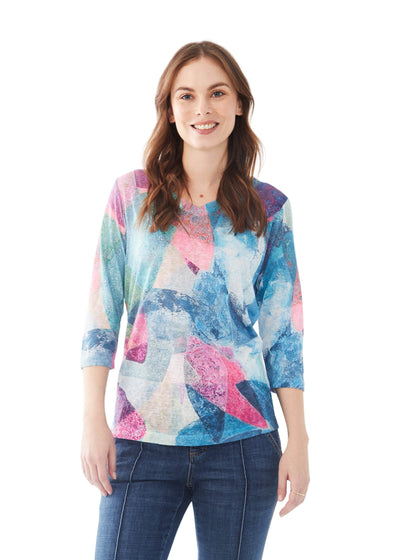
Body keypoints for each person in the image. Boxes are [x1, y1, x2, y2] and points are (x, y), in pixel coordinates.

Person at [80, 40, 309, 560]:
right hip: (141, 438)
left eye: (217, 93)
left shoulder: (269, 209)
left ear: (239, 104)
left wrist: (299, 440)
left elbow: (284, 336)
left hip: (243, 443)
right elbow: (101, 314)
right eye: (186, 95)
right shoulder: (131, 196)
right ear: (169, 109)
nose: (202, 108)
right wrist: (93, 419)